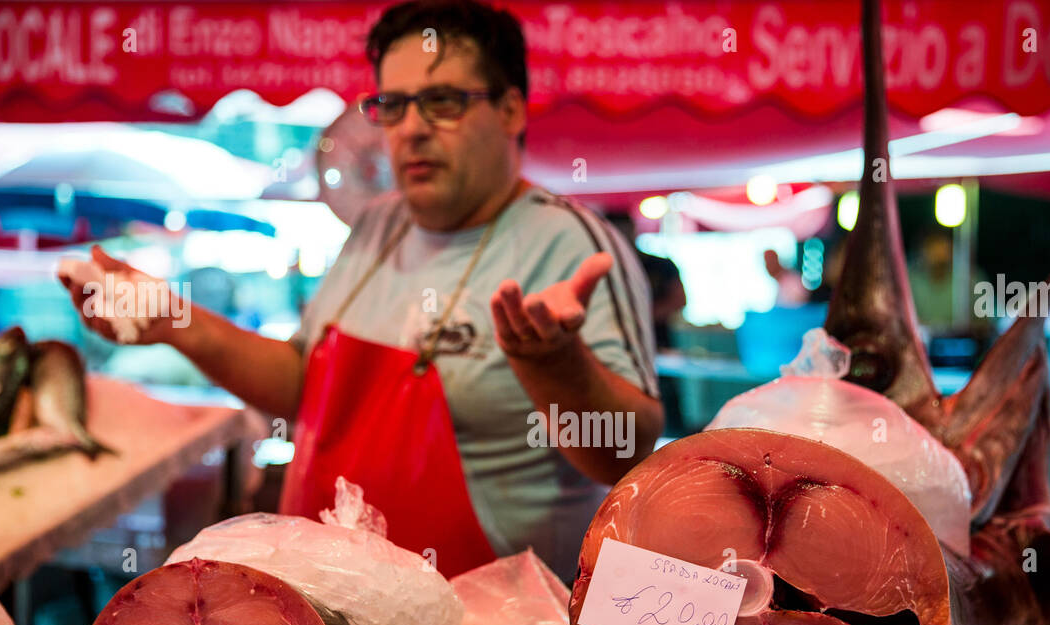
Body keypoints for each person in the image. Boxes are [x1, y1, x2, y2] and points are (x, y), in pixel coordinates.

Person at [59, 0, 662, 581]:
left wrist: (555, 366)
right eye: (393, 106)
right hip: (338, 620)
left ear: (510, 110)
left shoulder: (567, 243)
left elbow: (624, 454)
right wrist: (171, 319)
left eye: (442, 102)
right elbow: (303, 387)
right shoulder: (376, 226)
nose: (412, 130)